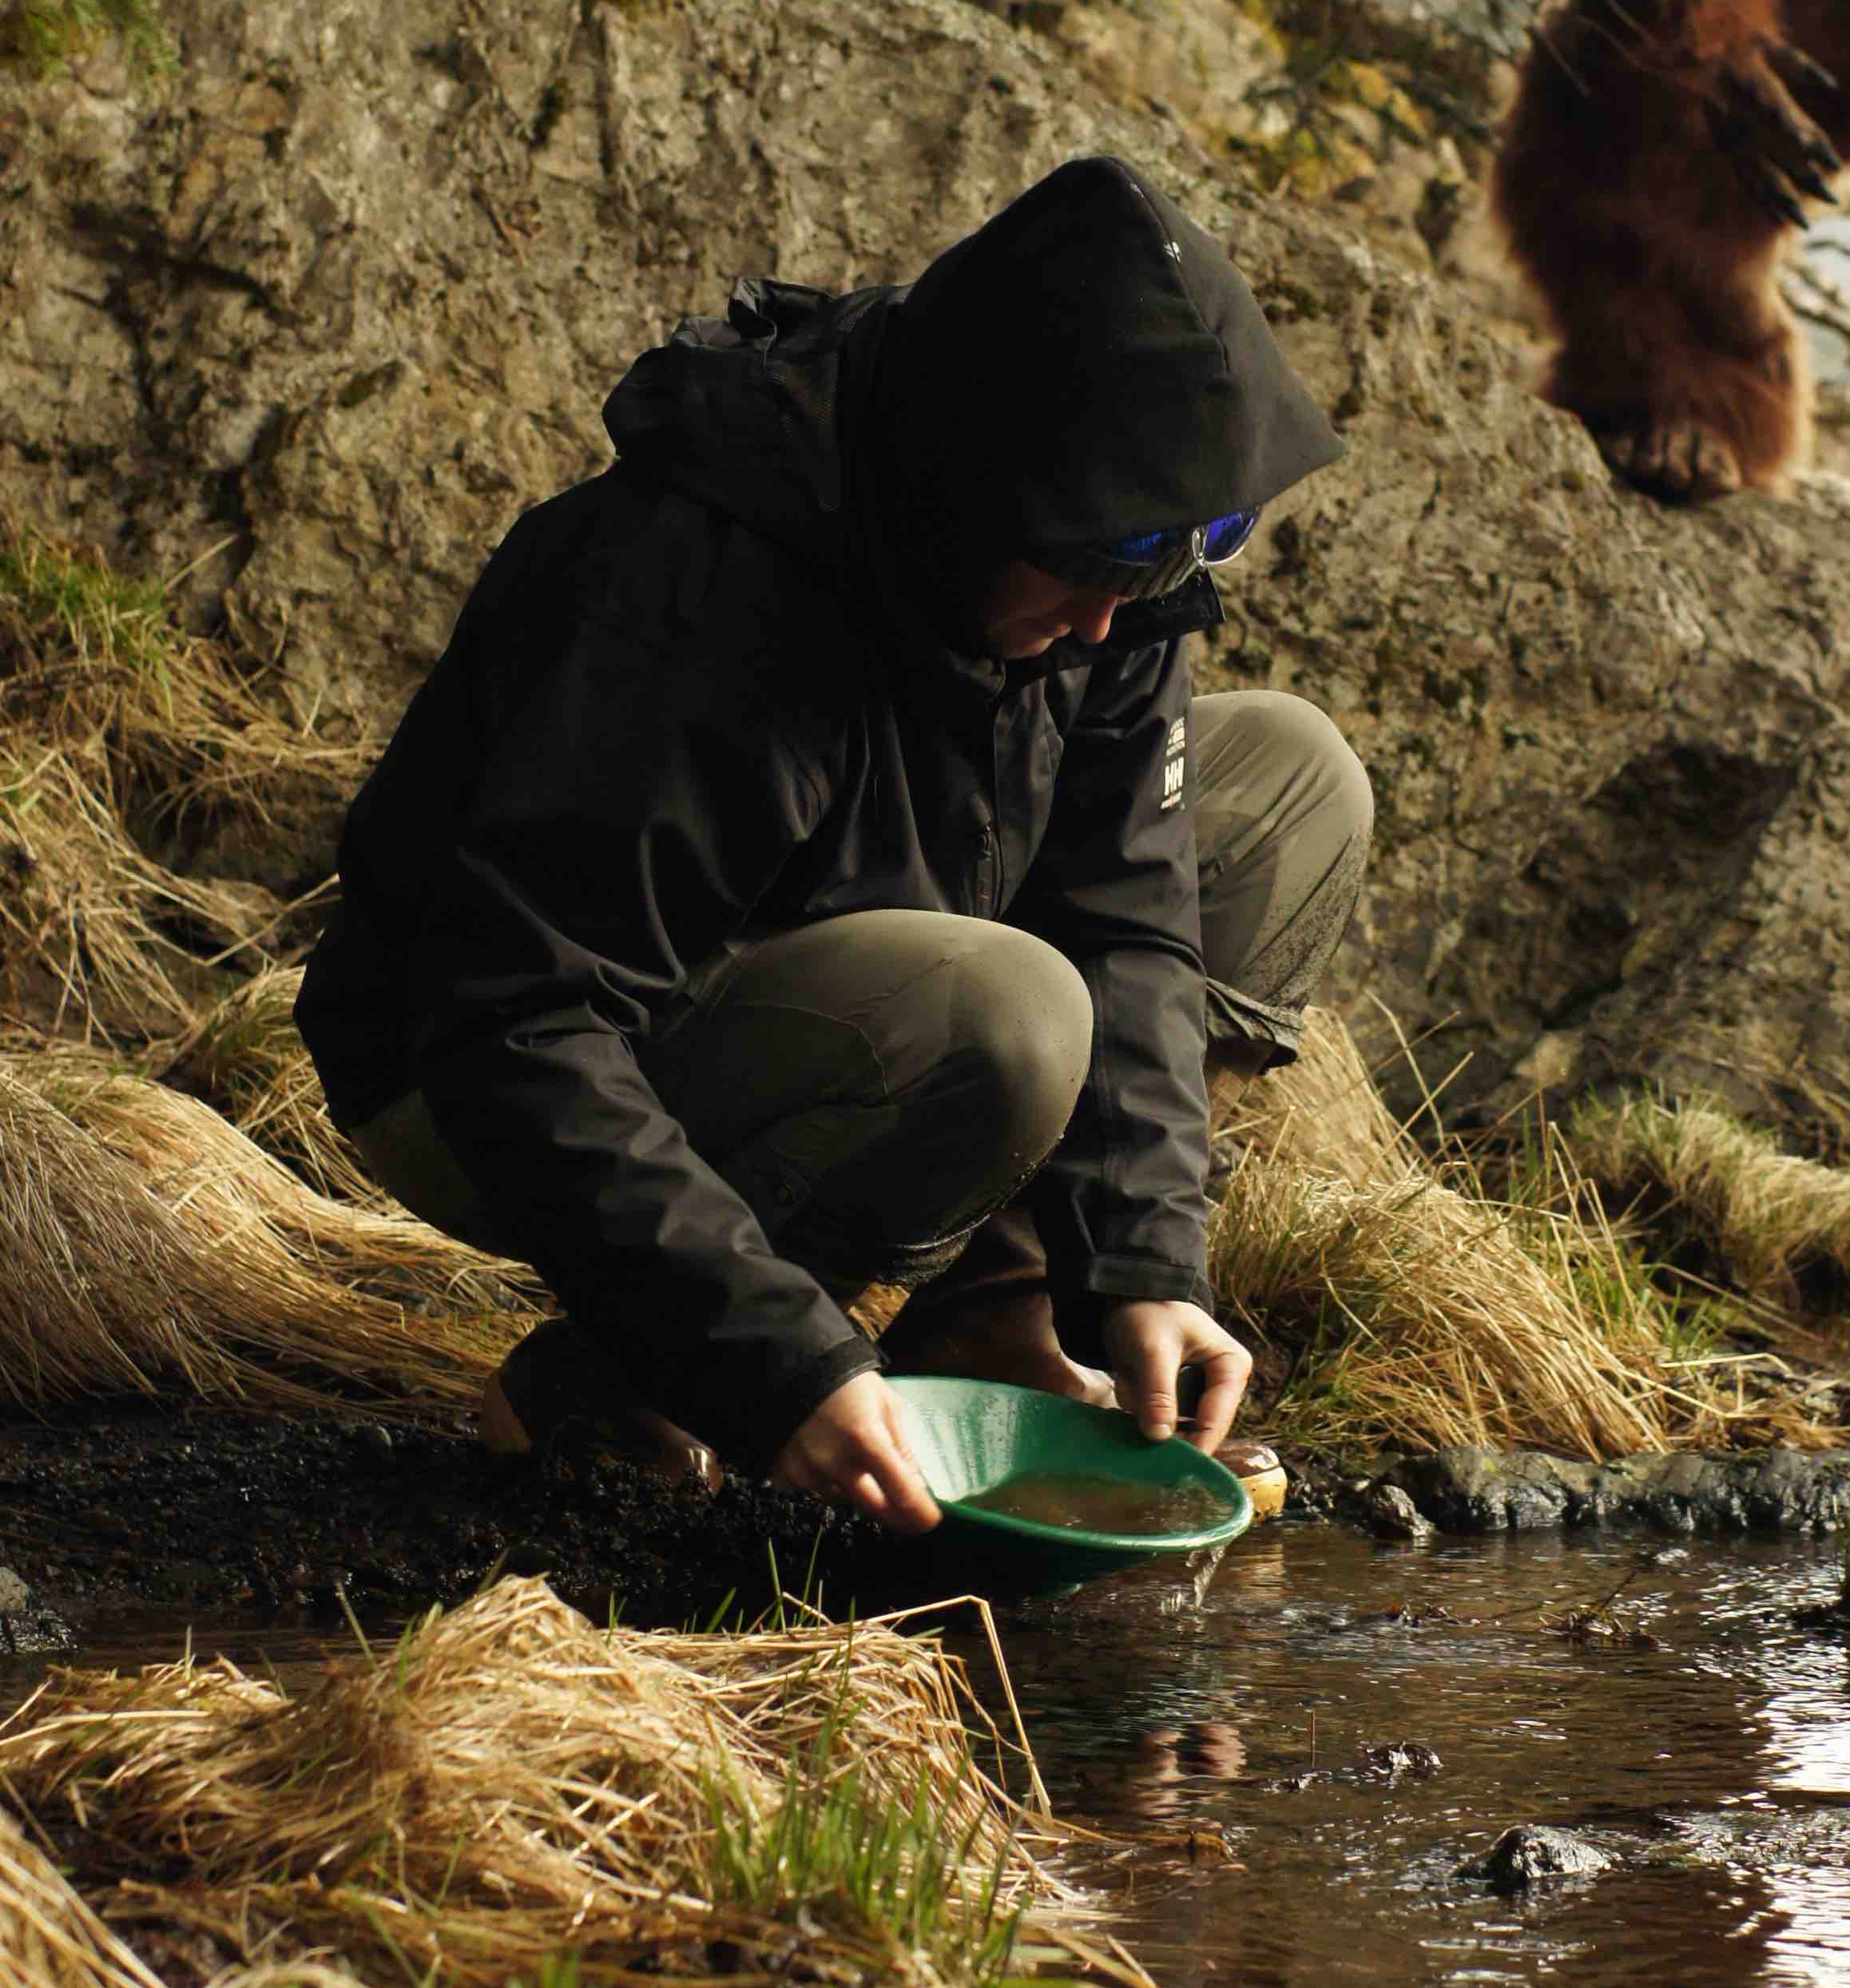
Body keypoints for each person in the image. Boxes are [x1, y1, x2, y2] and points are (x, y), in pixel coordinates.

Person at [295, 155, 1372, 1530]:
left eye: (1156, 568)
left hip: (850, 953)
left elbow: (1131, 913)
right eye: (1096, 567)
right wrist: (772, 1362)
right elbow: (523, 1018)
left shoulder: (1100, 566)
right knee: (1015, 1012)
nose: (1114, 623)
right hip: (471, 1072)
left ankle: (992, 1317)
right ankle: (632, 1372)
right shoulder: (693, 587)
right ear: (978, 479)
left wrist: (1149, 1263)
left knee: (1289, 781)